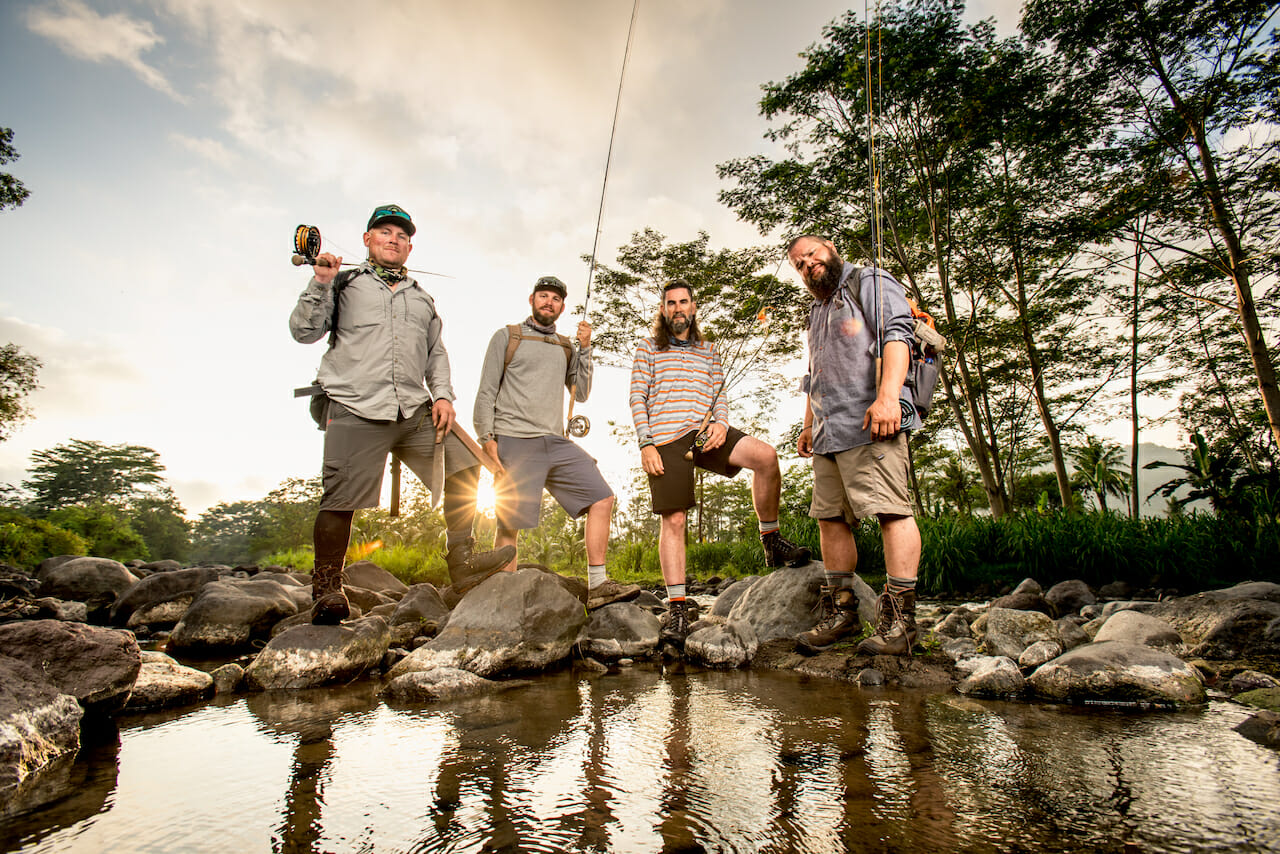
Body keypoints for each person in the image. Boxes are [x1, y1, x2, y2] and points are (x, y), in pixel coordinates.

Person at [289, 204, 513, 624]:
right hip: (355, 403)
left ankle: (462, 564)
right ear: (367, 240)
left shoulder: (423, 299)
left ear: (410, 246)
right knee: (340, 497)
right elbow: (304, 332)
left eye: (401, 235)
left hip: (413, 408)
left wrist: (443, 397)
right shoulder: (342, 283)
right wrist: (320, 281)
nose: (393, 239)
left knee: (465, 465)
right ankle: (326, 590)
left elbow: (436, 354)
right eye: (385, 232)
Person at [629, 279, 810, 643]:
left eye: (684, 302)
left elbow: (720, 396)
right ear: (663, 310)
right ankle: (678, 607)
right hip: (664, 437)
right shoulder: (647, 348)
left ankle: (770, 539)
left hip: (706, 431)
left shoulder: (709, 351)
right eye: (671, 303)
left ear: (693, 307)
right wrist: (646, 444)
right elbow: (637, 397)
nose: (678, 308)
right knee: (675, 519)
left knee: (766, 457)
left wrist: (721, 423)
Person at [786, 234, 922, 655]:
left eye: (812, 255)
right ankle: (842, 613)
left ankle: (901, 621)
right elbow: (814, 374)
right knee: (830, 519)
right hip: (828, 432)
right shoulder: (816, 309)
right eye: (799, 264)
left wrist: (888, 398)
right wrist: (808, 425)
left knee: (890, 511)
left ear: (830, 248)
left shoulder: (869, 280)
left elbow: (899, 335)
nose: (808, 265)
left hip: (870, 422)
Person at [473, 275, 640, 609]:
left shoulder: (566, 345)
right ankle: (502, 597)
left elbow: (583, 391)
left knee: (602, 498)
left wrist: (586, 348)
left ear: (562, 307)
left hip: (555, 440)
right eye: (544, 296)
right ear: (532, 299)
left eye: (556, 299)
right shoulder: (508, 336)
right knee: (510, 523)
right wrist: (486, 438)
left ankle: (597, 586)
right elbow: (487, 389)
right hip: (514, 438)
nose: (549, 302)